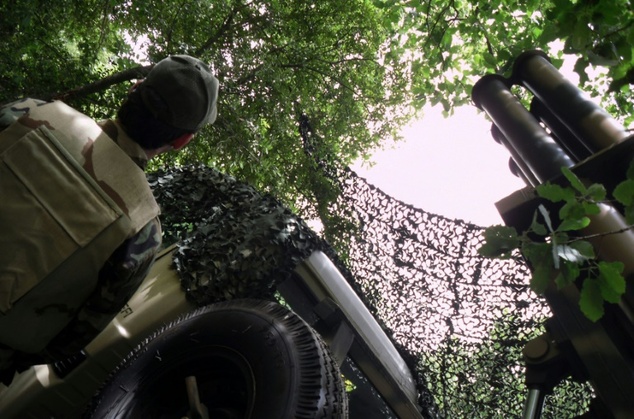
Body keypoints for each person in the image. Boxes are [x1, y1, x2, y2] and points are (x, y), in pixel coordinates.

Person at [0, 55, 219, 384]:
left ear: (134, 88)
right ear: (181, 140)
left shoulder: (31, 111)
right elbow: (73, 337)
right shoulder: (142, 227)